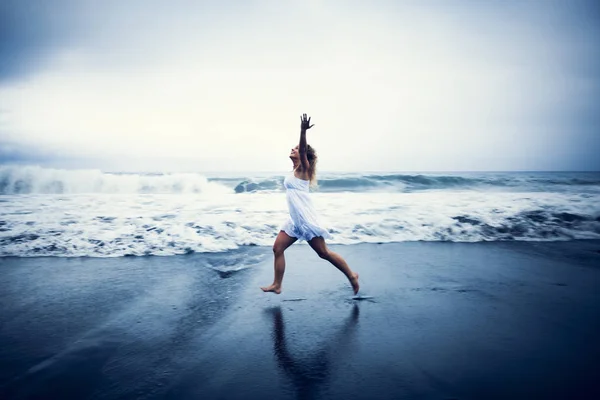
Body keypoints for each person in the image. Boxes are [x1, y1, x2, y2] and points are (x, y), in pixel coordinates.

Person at [261, 114, 360, 295]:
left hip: (305, 220)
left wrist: (302, 131)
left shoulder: (303, 169)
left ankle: (352, 276)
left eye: (297, 148)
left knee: (323, 253)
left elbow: (304, 150)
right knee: (277, 248)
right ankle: (277, 284)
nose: (293, 149)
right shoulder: (294, 172)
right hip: (294, 221)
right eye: (294, 147)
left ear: (304, 155)